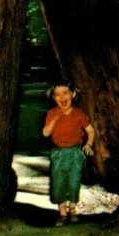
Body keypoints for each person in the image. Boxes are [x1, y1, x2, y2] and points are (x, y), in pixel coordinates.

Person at [42, 80, 95, 226]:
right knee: (59, 182)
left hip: (75, 153)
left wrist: (89, 144)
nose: (62, 97)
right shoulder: (52, 113)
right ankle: (62, 214)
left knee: (74, 181)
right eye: (57, 94)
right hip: (58, 154)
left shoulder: (79, 114)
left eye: (65, 93)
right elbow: (46, 133)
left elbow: (90, 130)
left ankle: (72, 209)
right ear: (53, 98)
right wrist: (56, 118)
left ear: (73, 94)